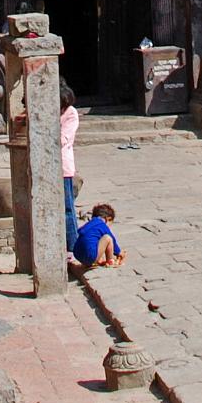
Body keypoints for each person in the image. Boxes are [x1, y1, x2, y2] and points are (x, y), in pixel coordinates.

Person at [59, 82, 81, 251]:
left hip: (63, 166)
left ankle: (73, 245)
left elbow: (63, 139)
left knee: (67, 207)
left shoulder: (70, 113)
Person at [72, 202, 125, 268]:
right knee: (107, 238)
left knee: (95, 240)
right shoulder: (101, 225)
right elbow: (112, 239)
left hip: (77, 255)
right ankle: (110, 261)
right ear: (107, 219)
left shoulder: (90, 224)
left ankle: (93, 261)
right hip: (90, 256)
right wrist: (118, 252)